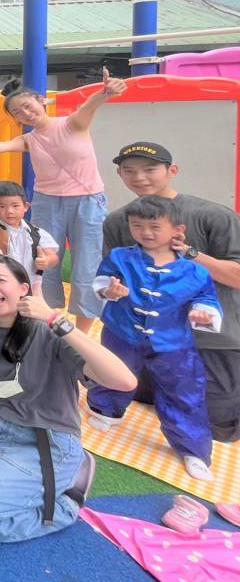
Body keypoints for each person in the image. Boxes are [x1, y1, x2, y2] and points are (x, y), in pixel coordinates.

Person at [0, 254, 137, 543]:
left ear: (24, 289)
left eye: (1, 279)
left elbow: (124, 381)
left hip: (39, 437)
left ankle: (65, 502)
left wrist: (56, 320)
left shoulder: (49, 332)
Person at [0, 70, 125, 331]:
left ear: (42, 101)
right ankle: (47, 322)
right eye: (18, 112)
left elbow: (88, 107)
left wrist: (104, 92)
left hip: (87, 200)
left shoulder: (72, 124)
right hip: (47, 202)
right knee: (41, 260)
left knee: (87, 264)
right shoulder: (29, 139)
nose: (26, 114)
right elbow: (3, 145)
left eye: (28, 106)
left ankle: (81, 333)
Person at [103, 141, 240, 443]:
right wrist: (110, 291)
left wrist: (190, 254)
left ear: (171, 171)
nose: (139, 177)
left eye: (149, 169)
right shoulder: (118, 221)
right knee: (129, 394)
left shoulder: (212, 215)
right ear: (120, 175)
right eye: (129, 171)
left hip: (209, 338)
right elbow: (109, 278)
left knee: (219, 426)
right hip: (144, 340)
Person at [88, 195, 220, 480]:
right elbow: (102, 280)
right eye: (137, 226)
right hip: (121, 331)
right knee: (113, 371)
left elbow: (206, 297)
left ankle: (192, 448)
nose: (145, 233)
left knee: (183, 390)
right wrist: (108, 291)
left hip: (173, 342)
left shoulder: (194, 271)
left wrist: (203, 312)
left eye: (154, 227)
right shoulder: (120, 257)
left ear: (178, 231)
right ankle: (105, 410)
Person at [0, 181, 59, 296]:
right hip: (1, 286)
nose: (9, 211)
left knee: (30, 311)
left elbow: (53, 256)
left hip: (31, 285)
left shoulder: (36, 232)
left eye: (15, 206)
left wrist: (46, 261)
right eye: (1, 206)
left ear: (25, 207)